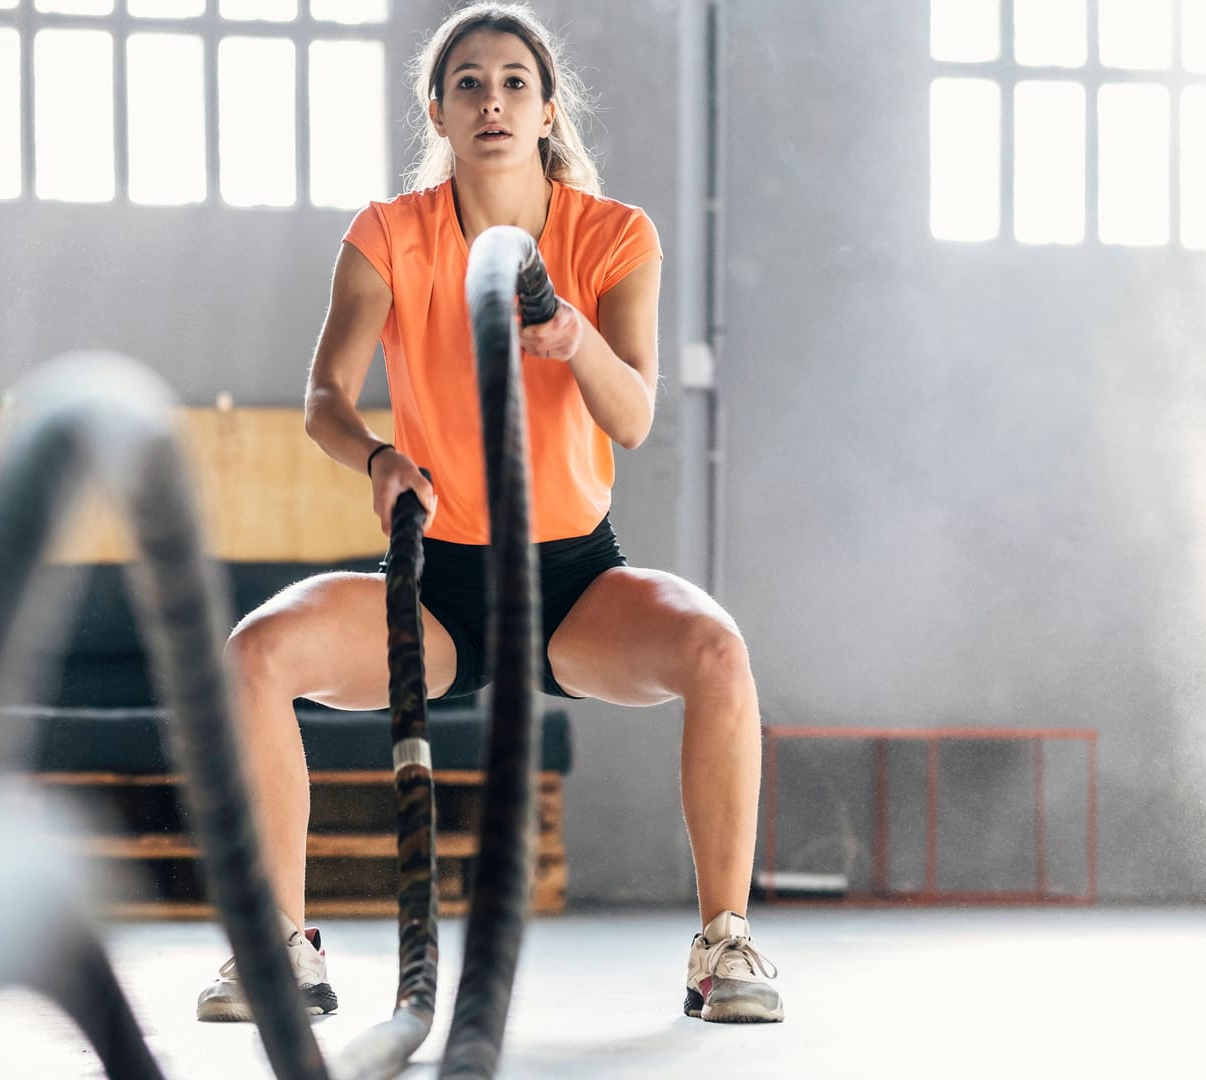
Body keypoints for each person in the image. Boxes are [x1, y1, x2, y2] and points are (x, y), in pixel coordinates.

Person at [197, 2, 781, 1025]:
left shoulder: (612, 236)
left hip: (574, 583)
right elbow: (323, 399)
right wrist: (377, 456)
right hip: (438, 582)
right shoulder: (391, 235)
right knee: (254, 653)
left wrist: (575, 343)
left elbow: (636, 415)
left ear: (549, 108)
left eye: (515, 81)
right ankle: (275, 947)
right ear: (438, 109)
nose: (493, 101)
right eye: (468, 82)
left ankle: (724, 945)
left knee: (717, 652)